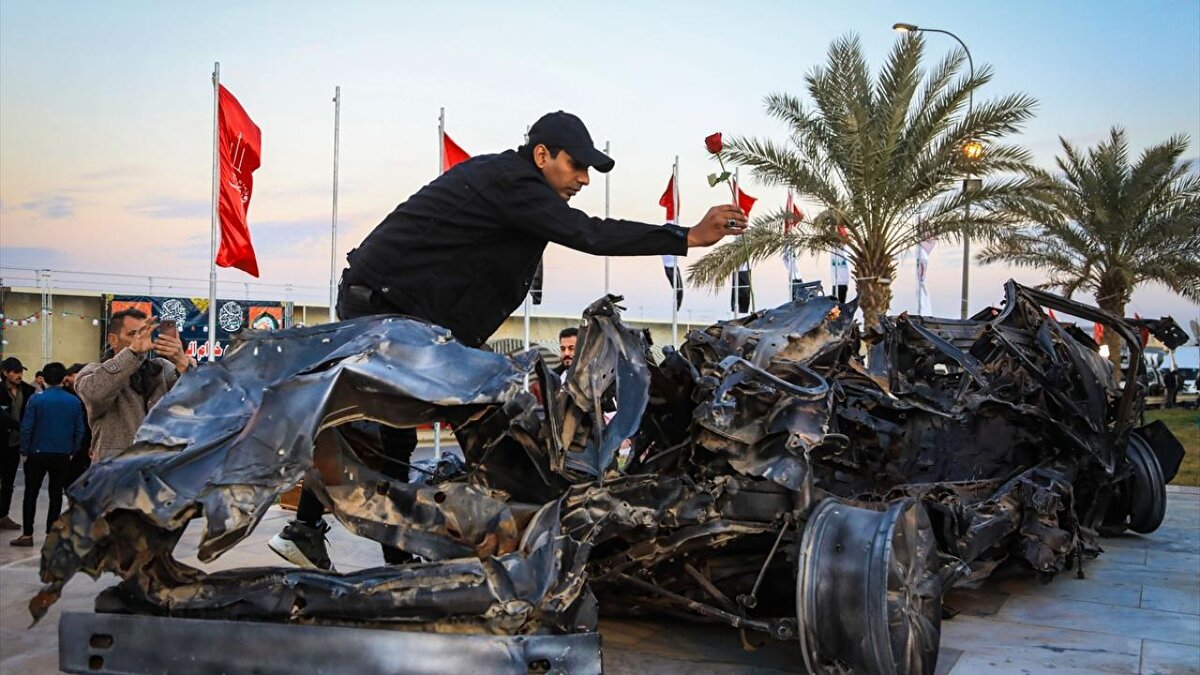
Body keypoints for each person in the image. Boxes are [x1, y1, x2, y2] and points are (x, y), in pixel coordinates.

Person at [268, 110, 748, 571]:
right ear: (542, 155)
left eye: (588, 170)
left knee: (393, 433)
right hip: (386, 306)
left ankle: (335, 539)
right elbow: (589, 234)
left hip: (404, 309)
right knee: (394, 418)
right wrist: (686, 235)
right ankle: (326, 534)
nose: (583, 179)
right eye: (576, 165)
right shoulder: (514, 182)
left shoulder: (515, 190)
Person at [75, 309, 193, 461]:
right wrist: (132, 353)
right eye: (133, 334)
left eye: (145, 333)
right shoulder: (92, 372)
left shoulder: (163, 369)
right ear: (113, 339)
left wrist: (184, 366)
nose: (140, 339)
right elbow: (94, 394)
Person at [10, 362, 85, 547]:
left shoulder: (36, 399)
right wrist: (73, 450)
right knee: (56, 494)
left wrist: (24, 451)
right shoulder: (74, 401)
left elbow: (27, 427)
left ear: (43, 378)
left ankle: (27, 534)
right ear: (63, 379)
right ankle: (51, 534)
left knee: (31, 493)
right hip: (62, 454)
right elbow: (79, 429)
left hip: (36, 452)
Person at [0, 357, 36, 531]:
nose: (19, 375)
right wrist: (20, 425)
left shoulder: (29, 391)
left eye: (21, 371)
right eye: (15, 372)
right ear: (5, 373)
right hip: (1, 442)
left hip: (16, 445)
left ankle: (3, 515)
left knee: (8, 481)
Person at [62, 363, 93, 484]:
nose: (67, 379)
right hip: (71, 444)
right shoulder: (66, 393)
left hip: (85, 443)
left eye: (70, 375)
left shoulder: (88, 393)